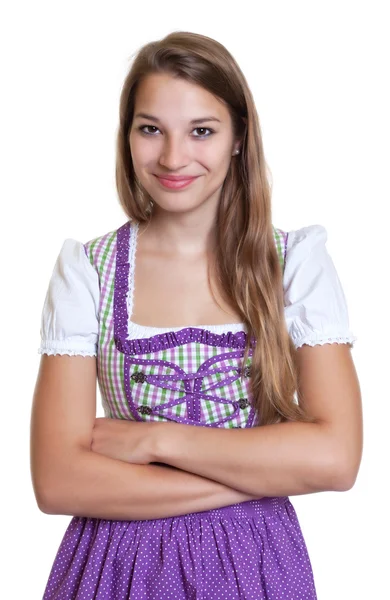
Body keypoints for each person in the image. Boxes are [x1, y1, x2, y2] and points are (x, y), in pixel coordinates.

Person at [30, 30, 363, 600]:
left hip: (256, 563)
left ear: (239, 138)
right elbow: (58, 482)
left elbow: (335, 460)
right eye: (150, 129)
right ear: (127, 136)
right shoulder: (89, 272)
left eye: (201, 131)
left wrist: (156, 441)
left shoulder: (293, 267)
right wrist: (262, 475)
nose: (173, 157)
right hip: (118, 565)